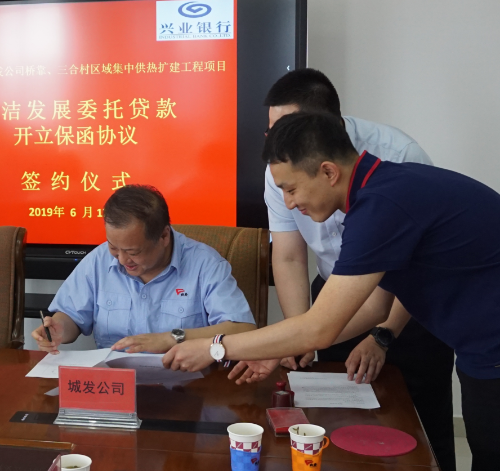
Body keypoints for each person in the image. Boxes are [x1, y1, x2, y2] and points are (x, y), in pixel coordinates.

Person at [164, 112, 500, 471]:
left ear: (328, 172)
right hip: (480, 349)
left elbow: (320, 328)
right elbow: (374, 308)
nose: (289, 204)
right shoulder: (384, 191)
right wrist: (279, 347)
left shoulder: (381, 206)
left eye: (291, 189)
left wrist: (214, 347)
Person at [262, 69, 455, 470]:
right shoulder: (282, 166)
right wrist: (300, 333)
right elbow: (290, 255)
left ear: (325, 125)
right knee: (335, 421)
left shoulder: (397, 154)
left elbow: (421, 266)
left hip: (409, 301)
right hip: (336, 293)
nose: (277, 141)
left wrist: (383, 335)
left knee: (419, 428)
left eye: (287, 129)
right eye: (272, 130)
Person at [32, 185, 256, 354]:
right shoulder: (99, 260)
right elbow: (71, 316)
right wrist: (59, 329)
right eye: (113, 247)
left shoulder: (205, 264)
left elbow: (242, 330)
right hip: (115, 386)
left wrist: (172, 338)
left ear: (164, 236)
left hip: (186, 385)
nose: (121, 259)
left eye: (133, 251)